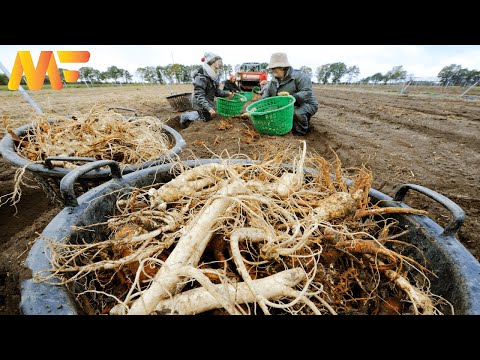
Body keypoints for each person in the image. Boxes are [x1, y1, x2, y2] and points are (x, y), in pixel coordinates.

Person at [261, 52, 318, 135]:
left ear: (282, 68)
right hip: (288, 105)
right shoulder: (274, 81)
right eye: (271, 69)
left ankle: (300, 134)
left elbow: (307, 92)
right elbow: (266, 96)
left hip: (306, 103)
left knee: (297, 113)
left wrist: (291, 97)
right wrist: (257, 109)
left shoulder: (300, 76)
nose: (272, 71)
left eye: (274, 69)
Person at [180, 52, 233, 128]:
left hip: (207, 101)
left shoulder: (213, 78)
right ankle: (185, 116)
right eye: (216, 68)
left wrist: (227, 93)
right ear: (209, 65)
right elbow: (199, 95)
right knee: (205, 119)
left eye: (218, 68)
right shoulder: (201, 77)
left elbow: (216, 92)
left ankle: (200, 113)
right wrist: (209, 108)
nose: (217, 70)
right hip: (199, 103)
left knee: (209, 117)